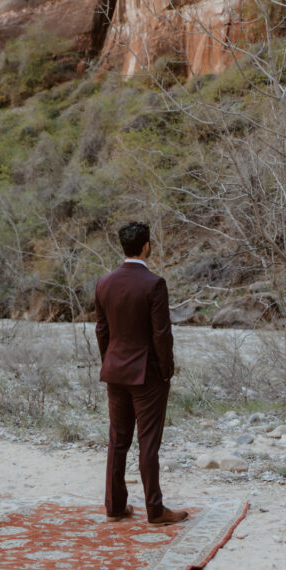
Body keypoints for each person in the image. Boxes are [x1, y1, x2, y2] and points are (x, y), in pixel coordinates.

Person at [94, 221, 188, 526]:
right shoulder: (154, 283)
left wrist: (109, 360)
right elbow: (162, 334)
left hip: (115, 372)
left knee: (117, 441)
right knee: (148, 442)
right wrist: (166, 371)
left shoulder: (104, 283)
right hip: (147, 374)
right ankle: (155, 510)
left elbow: (102, 330)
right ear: (146, 246)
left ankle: (114, 508)